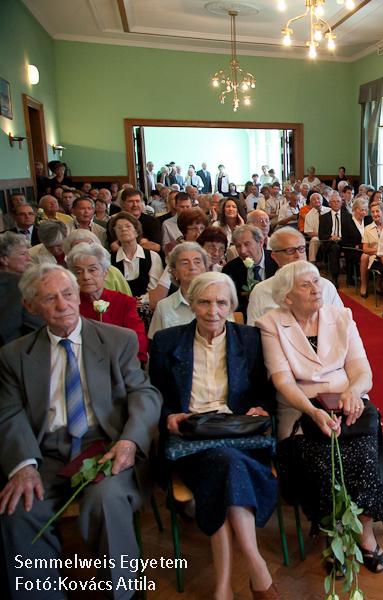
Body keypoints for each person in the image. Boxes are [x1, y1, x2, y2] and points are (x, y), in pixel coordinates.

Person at [0, 264, 161, 595]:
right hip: (45, 453)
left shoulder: (117, 340)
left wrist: (130, 441)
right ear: (30, 306)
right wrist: (23, 464)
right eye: (50, 298)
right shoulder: (14, 355)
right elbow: (9, 413)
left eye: (69, 294)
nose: (63, 305)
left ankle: (124, 593)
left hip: (105, 447)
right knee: (19, 508)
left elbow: (144, 393)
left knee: (106, 500)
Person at [257, 261, 383, 574]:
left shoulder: (341, 316)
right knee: (323, 462)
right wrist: (313, 411)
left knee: (361, 456)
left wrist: (354, 391)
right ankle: (332, 534)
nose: (316, 288)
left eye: (317, 281)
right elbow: (282, 381)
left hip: (348, 406)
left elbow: (362, 370)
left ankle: (364, 532)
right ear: (287, 297)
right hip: (300, 412)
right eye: (306, 285)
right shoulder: (270, 323)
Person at [148, 272, 279, 600]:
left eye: (221, 302)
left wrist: (261, 408)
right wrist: (169, 415)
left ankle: (223, 587)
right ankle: (257, 568)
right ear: (191, 304)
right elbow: (155, 395)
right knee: (224, 464)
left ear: (232, 305)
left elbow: (265, 391)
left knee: (225, 467)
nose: (212, 310)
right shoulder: (167, 341)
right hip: (192, 440)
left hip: (239, 435)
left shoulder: (249, 339)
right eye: (204, 302)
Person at [69, 243, 149, 363]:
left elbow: (138, 342)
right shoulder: (70, 305)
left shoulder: (124, 302)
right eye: (78, 272)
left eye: (92, 270)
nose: (85, 277)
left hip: (120, 365)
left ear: (105, 273)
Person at [247, 228, 342, 325]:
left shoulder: (326, 286)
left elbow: (341, 323)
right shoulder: (261, 291)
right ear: (275, 256)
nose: (298, 255)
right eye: (290, 251)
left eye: (301, 249)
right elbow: (252, 333)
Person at [147, 242, 210, 338]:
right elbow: (156, 346)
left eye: (197, 262)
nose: (192, 267)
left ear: (205, 269)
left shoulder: (219, 301)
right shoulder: (163, 307)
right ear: (174, 272)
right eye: (185, 263)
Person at [108, 212, 164, 303]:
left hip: (146, 307)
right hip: (120, 307)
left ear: (136, 232)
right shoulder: (109, 260)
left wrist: (140, 301)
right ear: (115, 234)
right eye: (119, 228)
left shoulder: (152, 257)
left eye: (128, 226)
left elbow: (155, 288)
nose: (124, 230)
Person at [222, 225, 277, 315]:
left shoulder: (276, 261)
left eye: (247, 244)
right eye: (238, 246)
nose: (242, 251)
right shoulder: (230, 269)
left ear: (260, 242)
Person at [0, 232, 43, 344]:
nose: (28, 258)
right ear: (4, 259)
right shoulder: (21, 286)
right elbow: (37, 330)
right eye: (23, 254)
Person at [359, 201, 383, 298]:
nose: (375, 214)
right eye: (372, 212)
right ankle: (364, 285)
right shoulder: (368, 228)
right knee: (364, 256)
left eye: (377, 211)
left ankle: (380, 285)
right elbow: (365, 249)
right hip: (373, 255)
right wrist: (378, 251)